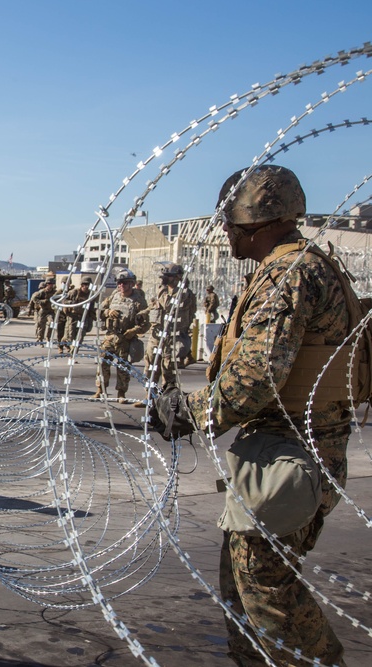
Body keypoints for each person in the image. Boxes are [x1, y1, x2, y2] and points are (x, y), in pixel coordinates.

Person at [153, 165, 354, 666]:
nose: (225, 231)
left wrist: (189, 412)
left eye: (231, 221)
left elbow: (257, 375)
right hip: (285, 445)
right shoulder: (296, 267)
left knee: (267, 590)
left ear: (258, 221)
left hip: (294, 451)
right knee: (243, 586)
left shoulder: (288, 273)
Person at [94, 268, 148, 402]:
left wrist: (133, 331)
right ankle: (101, 389)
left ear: (131, 284)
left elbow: (146, 323)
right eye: (119, 283)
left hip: (126, 338)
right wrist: (108, 312)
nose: (121, 286)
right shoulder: (114, 296)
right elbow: (99, 310)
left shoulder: (139, 300)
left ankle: (121, 393)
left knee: (123, 367)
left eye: (124, 283)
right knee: (102, 363)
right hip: (110, 336)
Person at [144, 262, 196, 390]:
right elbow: (153, 306)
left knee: (168, 369)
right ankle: (150, 397)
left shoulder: (185, 294)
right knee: (151, 366)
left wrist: (163, 291)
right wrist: (142, 314)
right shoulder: (163, 291)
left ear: (178, 277)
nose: (164, 279)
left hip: (172, 338)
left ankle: (166, 398)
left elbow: (169, 305)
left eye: (168, 276)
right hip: (157, 335)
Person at [60, 277, 94, 353]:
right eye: (84, 284)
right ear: (81, 285)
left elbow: (92, 307)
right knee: (70, 335)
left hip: (83, 318)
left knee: (80, 337)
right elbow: (64, 301)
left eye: (88, 284)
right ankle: (65, 341)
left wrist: (92, 318)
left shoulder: (91, 295)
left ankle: (73, 353)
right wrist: (72, 303)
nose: (86, 286)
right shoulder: (74, 292)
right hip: (72, 317)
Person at [25, 276, 56, 344]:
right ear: (47, 284)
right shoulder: (42, 292)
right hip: (43, 310)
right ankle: (40, 338)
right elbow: (34, 299)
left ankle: (48, 337)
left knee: (52, 323)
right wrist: (43, 301)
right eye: (50, 284)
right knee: (41, 325)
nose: (51, 285)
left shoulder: (54, 292)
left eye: (52, 284)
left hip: (51, 311)